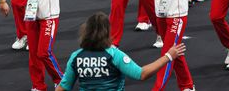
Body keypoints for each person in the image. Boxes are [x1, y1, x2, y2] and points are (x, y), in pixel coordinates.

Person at [57, 12, 186, 91]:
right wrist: (169, 56)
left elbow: (62, 88)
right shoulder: (114, 55)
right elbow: (142, 74)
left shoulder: (76, 57)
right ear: (107, 32)